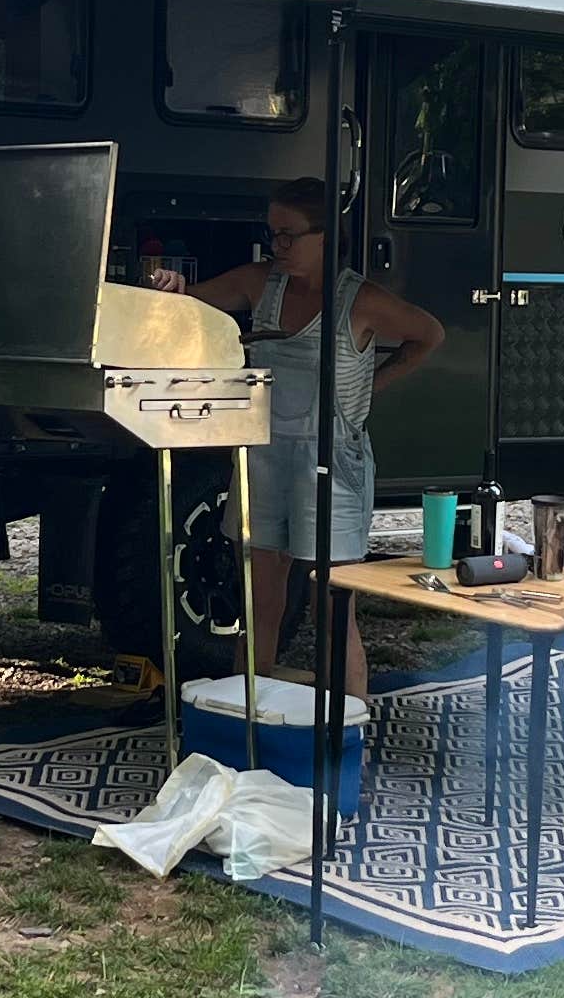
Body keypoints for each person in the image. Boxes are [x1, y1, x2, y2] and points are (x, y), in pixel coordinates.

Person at [167, 184, 441, 690]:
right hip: (264, 453)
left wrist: (372, 382)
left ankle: (344, 731)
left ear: (324, 236)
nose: (279, 246)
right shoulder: (260, 283)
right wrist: (170, 285)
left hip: (332, 458)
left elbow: (429, 333)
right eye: (273, 234)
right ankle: (252, 717)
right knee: (261, 597)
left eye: (290, 235)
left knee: (332, 603)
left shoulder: (361, 300)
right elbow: (193, 302)